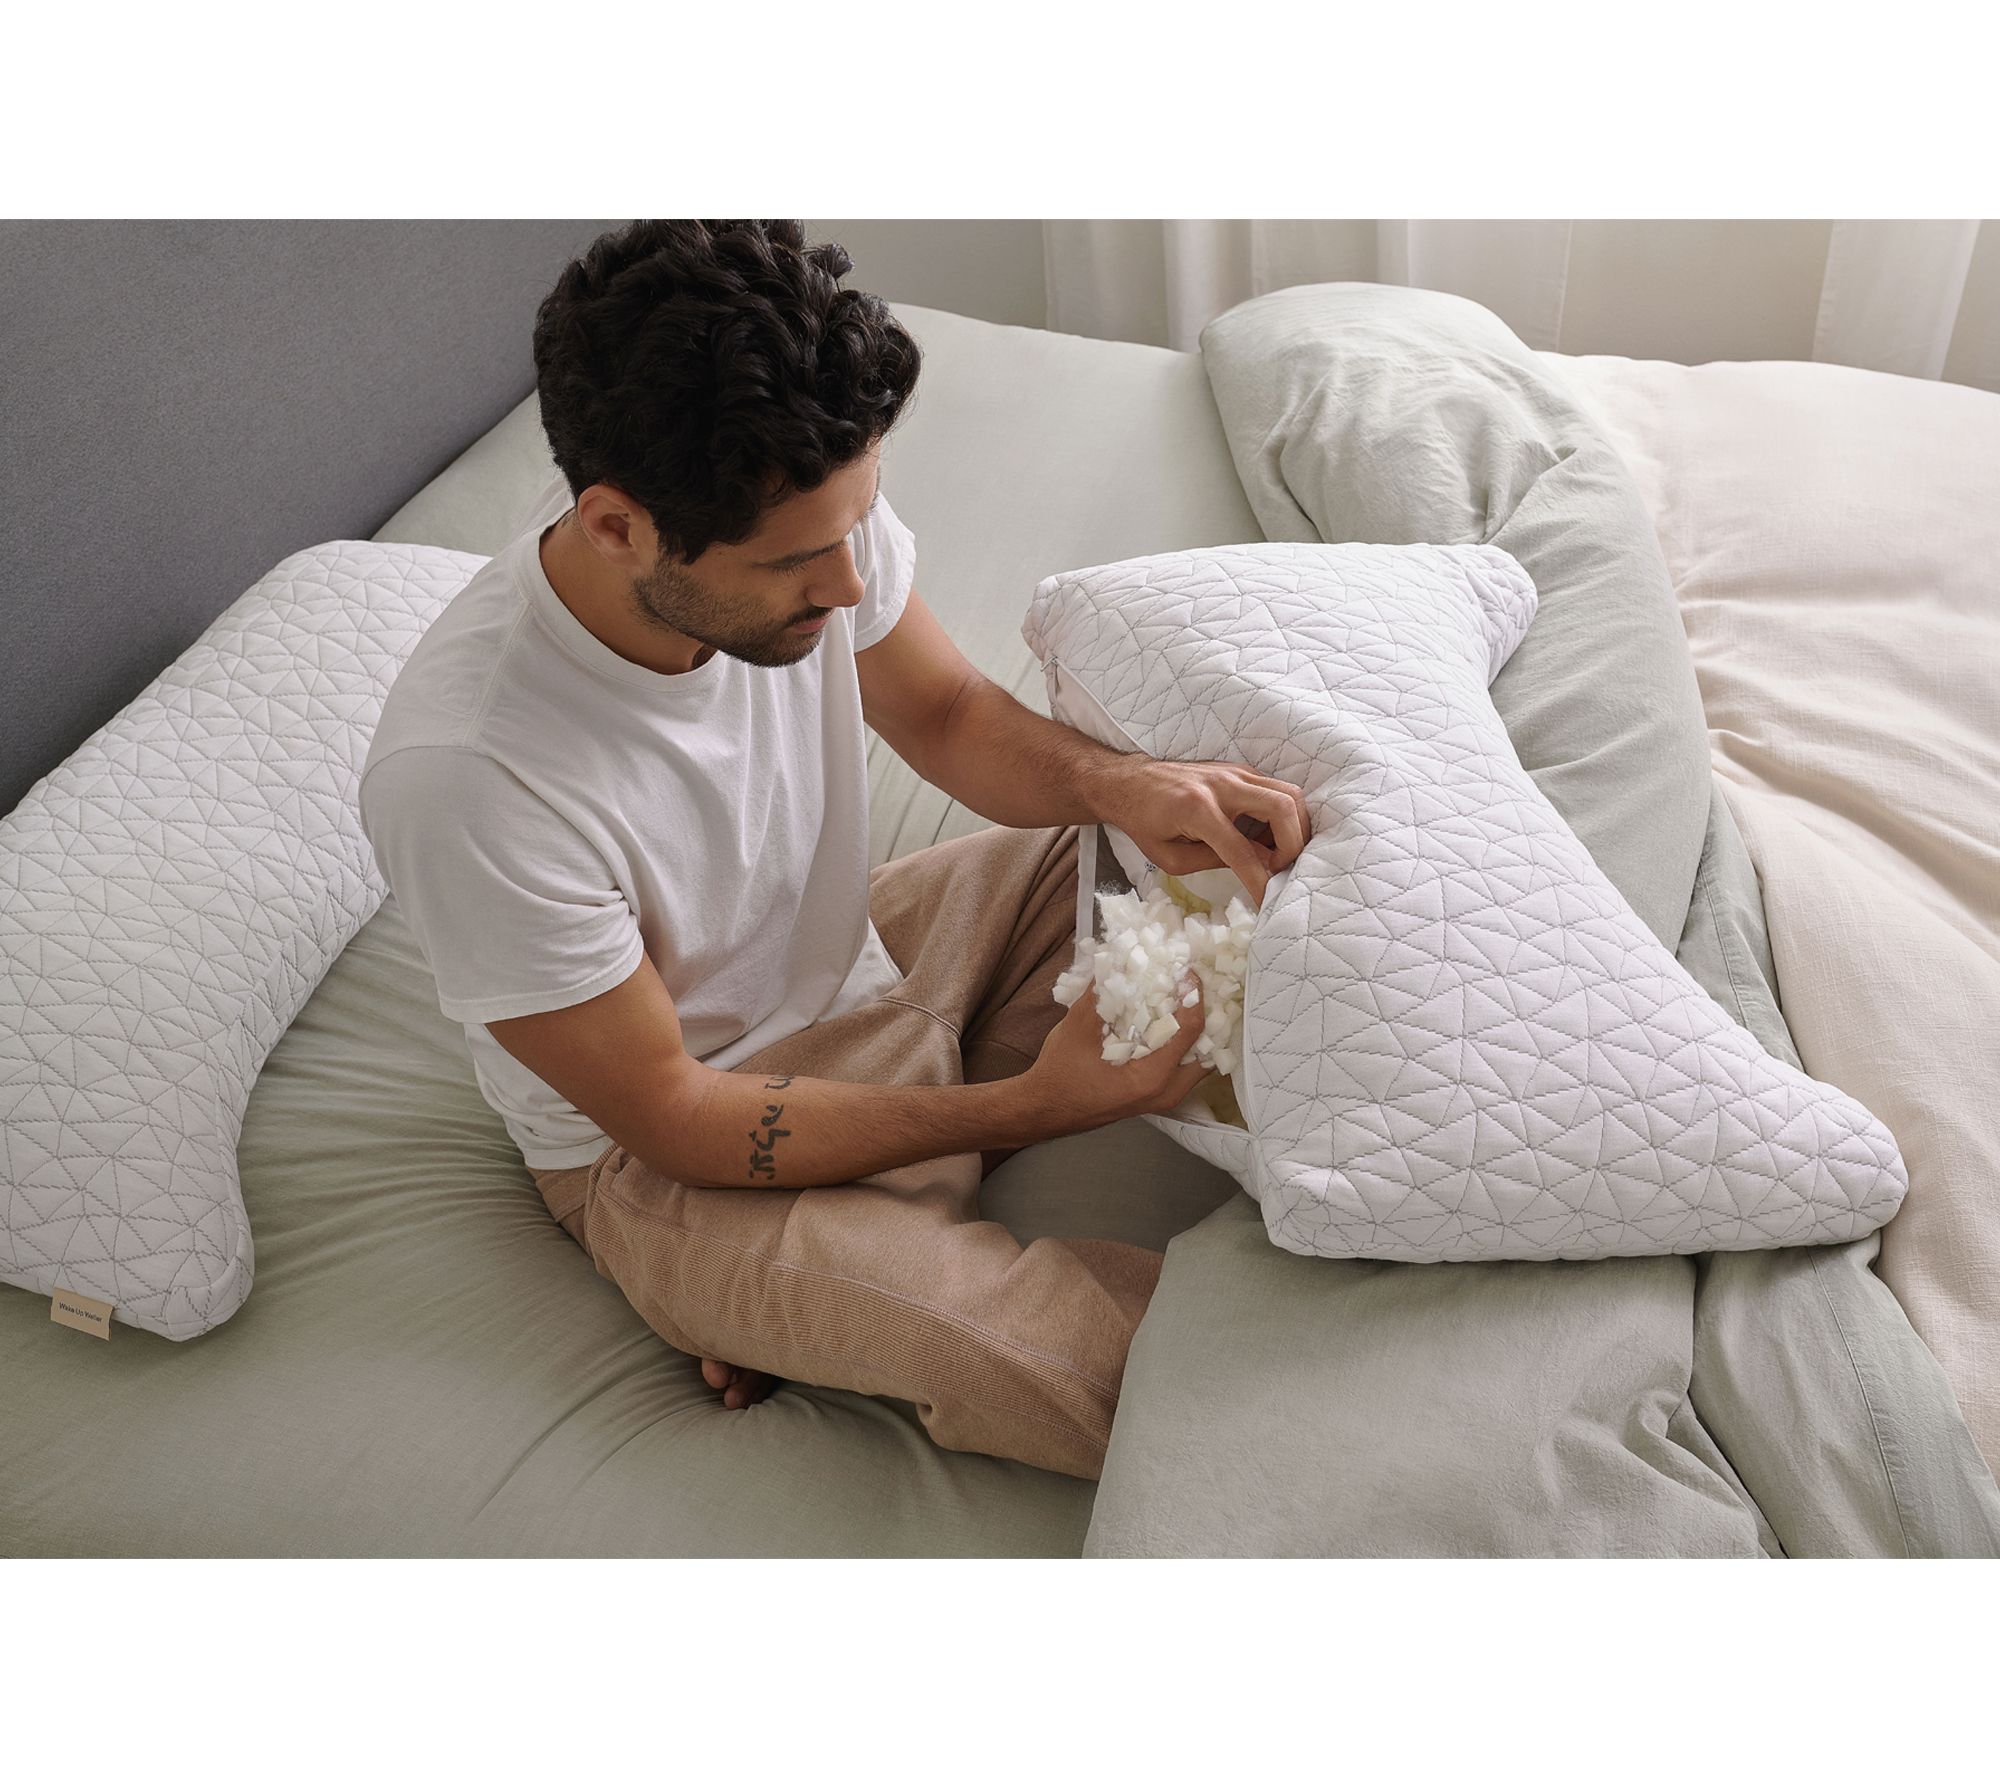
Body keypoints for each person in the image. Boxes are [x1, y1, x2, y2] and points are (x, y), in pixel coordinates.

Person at [359, 219, 1309, 1479]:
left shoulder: (794, 489)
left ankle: (845, 1267)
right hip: (678, 1147)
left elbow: (945, 710)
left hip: (872, 954)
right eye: (797, 563)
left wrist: (1120, 786)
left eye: (852, 529)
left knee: (1221, 845)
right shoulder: (471, 778)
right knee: (1107, 1385)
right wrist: (1031, 1107)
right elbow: (674, 1112)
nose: (850, 588)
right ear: (615, 527)